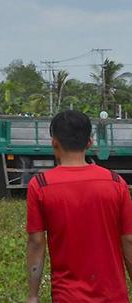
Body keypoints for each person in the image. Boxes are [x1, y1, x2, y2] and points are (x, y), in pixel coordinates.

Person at [26, 110, 132, 303]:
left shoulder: (40, 185)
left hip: (67, 297)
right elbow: (129, 241)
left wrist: (33, 296)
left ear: (54, 142)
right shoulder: (117, 183)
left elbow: (36, 243)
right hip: (114, 296)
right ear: (89, 143)